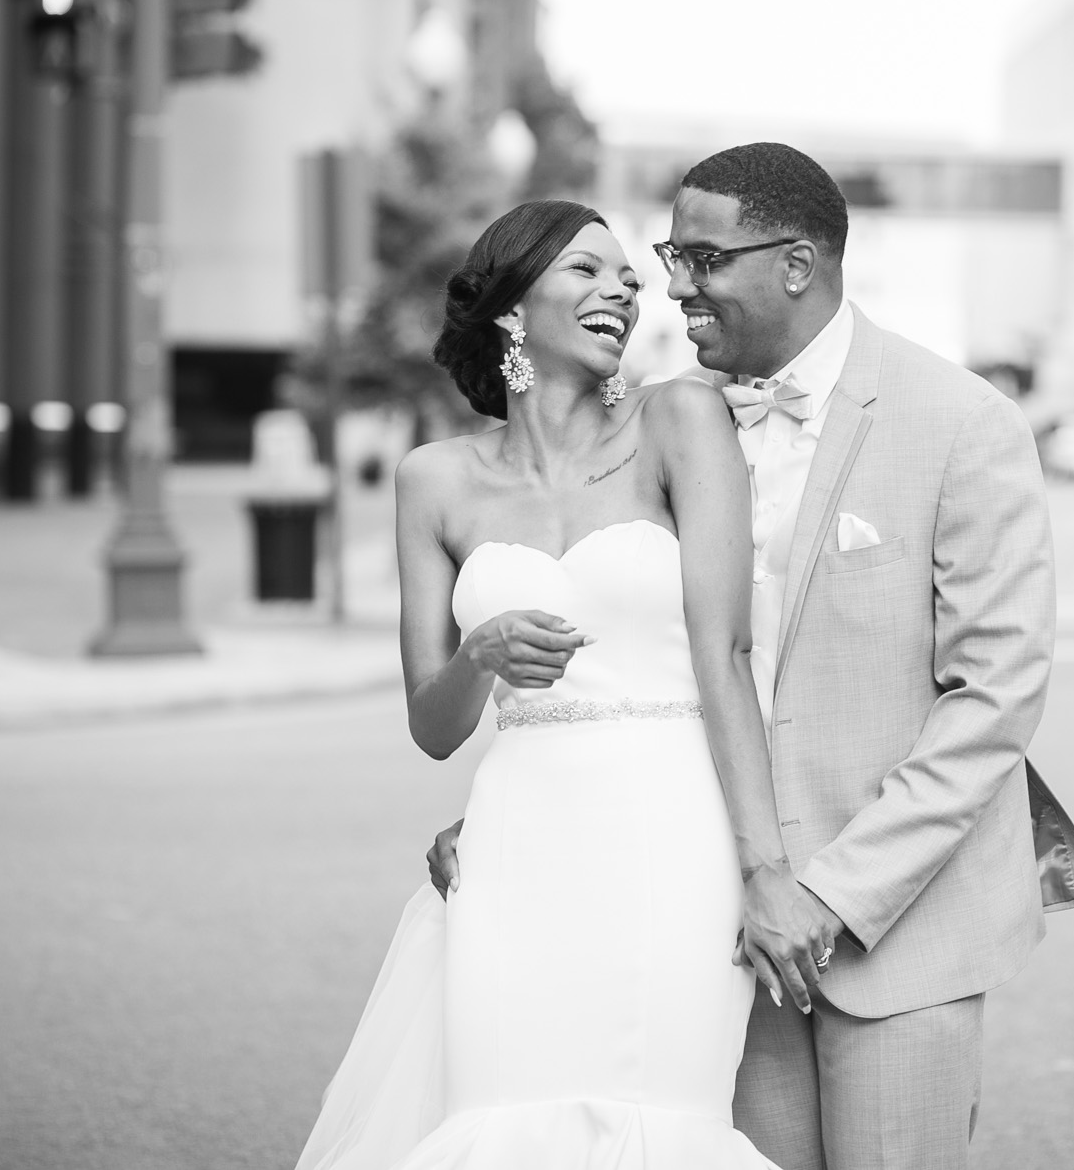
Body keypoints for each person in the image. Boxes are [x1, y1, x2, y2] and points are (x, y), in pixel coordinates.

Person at [427, 143, 1074, 1170]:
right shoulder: (661, 424)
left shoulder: (960, 424)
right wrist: (526, 811)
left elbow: (992, 702)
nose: (670, 285)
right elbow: (633, 658)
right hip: (708, 916)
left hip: (897, 925)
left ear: (795, 264)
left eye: (699, 259)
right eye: (668, 254)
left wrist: (829, 895)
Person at [294, 198, 808, 1168]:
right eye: (584, 269)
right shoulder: (431, 481)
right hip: (517, 843)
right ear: (509, 312)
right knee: (500, 1115)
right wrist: (479, 654)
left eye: (625, 274)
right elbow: (433, 727)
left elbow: (727, 655)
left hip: (674, 831)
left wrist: (762, 866)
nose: (620, 287)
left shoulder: (679, 418)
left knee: (659, 1111)